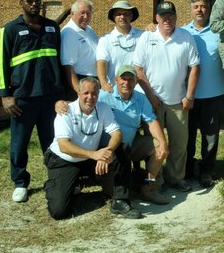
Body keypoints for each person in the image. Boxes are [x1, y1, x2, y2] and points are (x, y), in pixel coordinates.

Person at [56, 66, 170, 205]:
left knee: (159, 147)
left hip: (130, 144)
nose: (126, 83)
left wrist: (163, 142)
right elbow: (83, 101)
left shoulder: (141, 99)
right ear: (116, 80)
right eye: (123, 79)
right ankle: (105, 181)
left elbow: (151, 122)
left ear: (135, 82)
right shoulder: (104, 95)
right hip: (104, 147)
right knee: (114, 189)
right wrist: (60, 103)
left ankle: (149, 188)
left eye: (130, 79)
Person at [0, 0, 66, 203]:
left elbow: (61, 62)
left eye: (37, 1)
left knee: (53, 141)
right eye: (29, 1)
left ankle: (55, 178)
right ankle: (20, 182)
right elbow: (0, 64)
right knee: (19, 143)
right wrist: (5, 95)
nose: (34, 4)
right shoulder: (9, 30)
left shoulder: (52, 28)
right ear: (21, 3)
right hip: (23, 98)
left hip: (50, 97)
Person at [43, 77, 141, 219]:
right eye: (86, 93)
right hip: (65, 160)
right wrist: (94, 155)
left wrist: (107, 152)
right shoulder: (65, 111)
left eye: (94, 93)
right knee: (60, 212)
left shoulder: (103, 108)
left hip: (90, 159)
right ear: (78, 93)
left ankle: (120, 201)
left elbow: (117, 133)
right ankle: (56, 184)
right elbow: (64, 146)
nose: (90, 97)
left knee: (122, 148)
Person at [134, 1, 200, 192]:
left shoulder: (186, 37)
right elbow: (138, 70)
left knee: (180, 144)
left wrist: (189, 96)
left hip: (178, 101)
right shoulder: (147, 38)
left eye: (171, 16)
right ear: (157, 18)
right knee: (155, 145)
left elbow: (195, 67)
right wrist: (151, 97)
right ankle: (156, 180)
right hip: (152, 103)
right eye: (163, 16)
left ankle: (176, 178)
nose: (167, 20)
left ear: (176, 18)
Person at [184, 0, 224, 187]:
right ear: (191, 10)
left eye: (203, 6)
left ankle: (207, 171)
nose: (199, 10)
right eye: (196, 6)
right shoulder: (183, 32)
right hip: (189, 95)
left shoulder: (218, 30)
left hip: (214, 92)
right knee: (189, 136)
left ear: (209, 9)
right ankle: (187, 170)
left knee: (210, 136)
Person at [96, 0, 144, 93]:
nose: (122, 17)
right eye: (118, 14)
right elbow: (101, 62)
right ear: (114, 17)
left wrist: (153, 27)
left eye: (126, 14)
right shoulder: (105, 39)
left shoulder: (143, 36)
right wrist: (103, 82)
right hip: (115, 91)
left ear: (131, 16)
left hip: (140, 91)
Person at [60, 0, 99, 93]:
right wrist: (79, 91)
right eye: (82, 13)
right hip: (80, 82)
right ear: (72, 13)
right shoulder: (69, 33)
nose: (85, 16)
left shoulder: (89, 29)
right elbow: (68, 66)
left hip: (94, 81)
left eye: (88, 13)